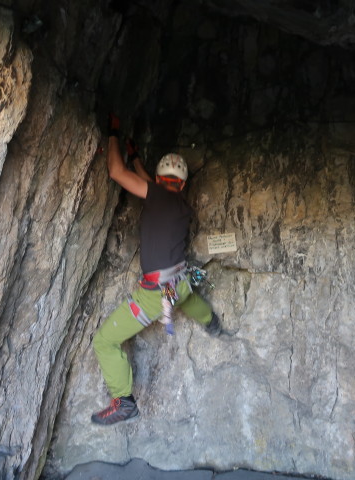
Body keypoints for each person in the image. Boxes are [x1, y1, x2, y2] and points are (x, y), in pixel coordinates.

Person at [91, 113, 221, 425]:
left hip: (154, 295)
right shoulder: (179, 205)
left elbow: (115, 171)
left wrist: (113, 133)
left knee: (104, 342)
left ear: (160, 180)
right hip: (180, 281)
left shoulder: (156, 194)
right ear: (184, 184)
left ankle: (123, 401)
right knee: (186, 297)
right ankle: (212, 322)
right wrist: (135, 157)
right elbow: (149, 184)